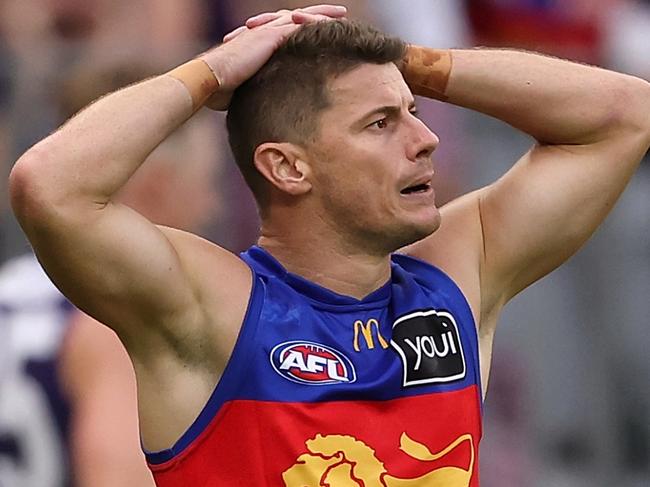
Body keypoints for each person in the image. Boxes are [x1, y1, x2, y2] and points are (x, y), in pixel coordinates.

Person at [8, 4, 650, 486]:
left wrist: (411, 65)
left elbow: (625, 115)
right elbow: (50, 186)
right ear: (288, 167)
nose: (425, 140)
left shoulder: (455, 274)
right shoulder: (215, 308)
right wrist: (210, 72)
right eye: (380, 124)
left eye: (414, 113)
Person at [1, 61, 220, 486]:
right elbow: (115, 475)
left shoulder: (12, 289)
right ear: (158, 186)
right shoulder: (119, 318)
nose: (212, 207)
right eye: (206, 182)